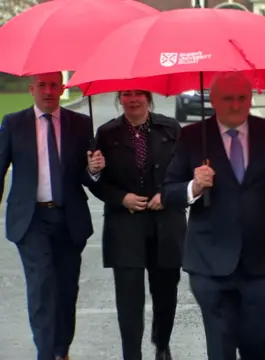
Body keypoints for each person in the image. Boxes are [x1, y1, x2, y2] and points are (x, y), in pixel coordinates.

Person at [162, 72, 265, 360]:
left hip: (261, 260)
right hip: (209, 260)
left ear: (250, 98)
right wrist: (193, 186)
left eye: (242, 98)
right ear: (214, 101)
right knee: (220, 342)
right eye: (228, 99)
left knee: (257, 338)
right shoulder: (194, 137)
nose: (235, 105)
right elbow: (169, 192)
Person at [0, 72, 105, 360]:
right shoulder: (14, 123)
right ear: (32, 89)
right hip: (30, 220)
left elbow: (86, 176)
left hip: (69, 219)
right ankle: (46, 354)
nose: (48, 91)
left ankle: (61, 350)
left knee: (66, 288)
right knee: (42, 285)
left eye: (53, 85)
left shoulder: (80, 124)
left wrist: (94, 169)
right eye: (42, 85)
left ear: (62, 88)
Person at [91, 90, 185, 360]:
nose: (133, 100)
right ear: (120, 99)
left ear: (148, 97)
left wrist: (168, 195)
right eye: (127, 94)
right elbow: (96, 183)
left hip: (167, 225)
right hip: (125, 228)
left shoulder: (171, 129)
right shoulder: (106, 134)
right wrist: (115, 191)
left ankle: (162, 344)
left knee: (166, 294)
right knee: (129, 300)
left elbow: (185, 172)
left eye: (139, 94)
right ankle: (131, 354)